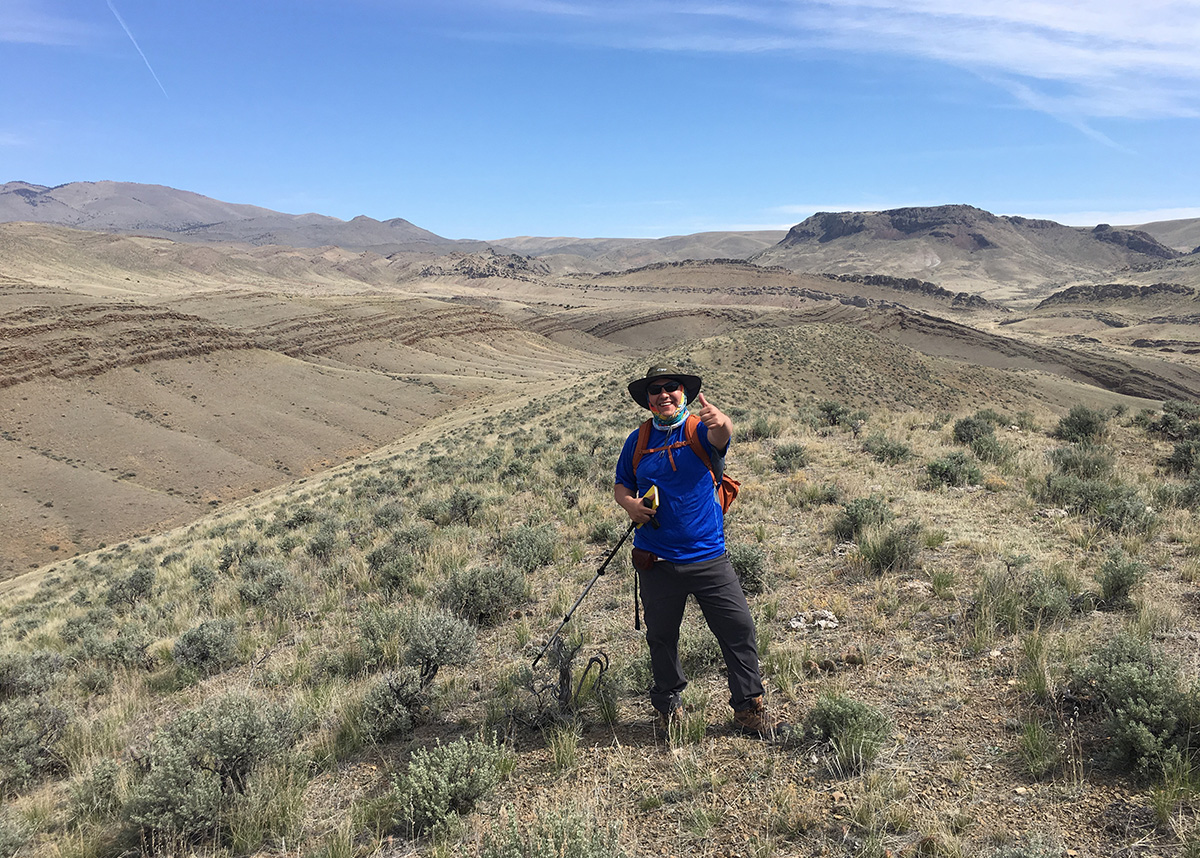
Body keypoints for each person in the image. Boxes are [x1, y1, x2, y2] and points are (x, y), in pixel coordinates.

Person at [614, 364, 774, 736]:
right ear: (647, 399)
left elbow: (720, 435)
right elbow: (622, 484)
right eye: (656, 390)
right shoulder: (637, 440)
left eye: (672, 387)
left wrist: (723, 422)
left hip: (708, 557)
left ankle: (748, 706)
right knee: (661, 637)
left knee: (738, 630)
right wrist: (630, 506)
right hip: (656, 559)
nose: (664, 394)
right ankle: (669, 707)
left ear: (683, 393)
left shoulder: (697, 431)